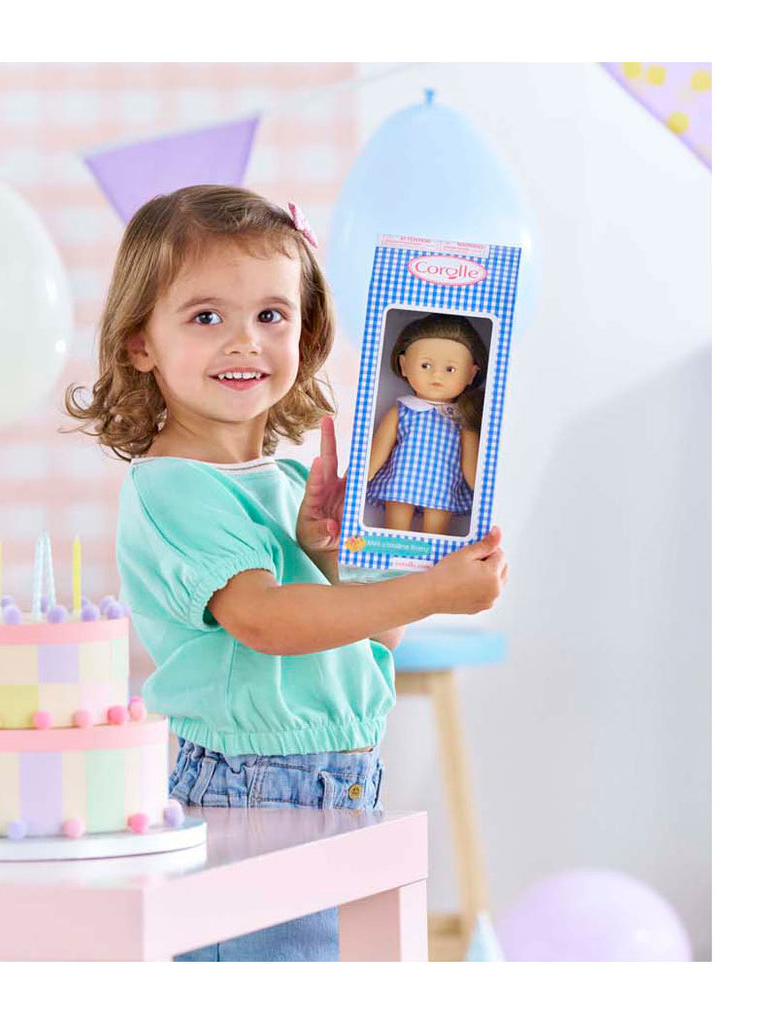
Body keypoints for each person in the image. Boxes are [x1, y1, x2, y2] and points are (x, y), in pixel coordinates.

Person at [65, 185, 508, 960]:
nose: (245, 342)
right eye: (207, 317)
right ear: (141, 344)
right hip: (251, 792)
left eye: (271, 315)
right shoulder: (174, 487)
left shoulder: (290, 482)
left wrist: (335, 556)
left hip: (345, 782)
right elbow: (265, 622)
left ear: (307, 331)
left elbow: (380, 636)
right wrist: (435, 590)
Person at [367, 312, 488, 535]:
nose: (437, 376)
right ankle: (391, 551)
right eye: (425, 365)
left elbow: (470, 463)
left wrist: (482, 491)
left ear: (472, 374)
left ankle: (432, 554)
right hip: (401, 481)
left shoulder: (462, 419)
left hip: (442, 485)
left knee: (436, 533)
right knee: (394, 529)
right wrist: (362, 475)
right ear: (404, 365)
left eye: (450, 369)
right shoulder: (402, 411)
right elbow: (379, 450)